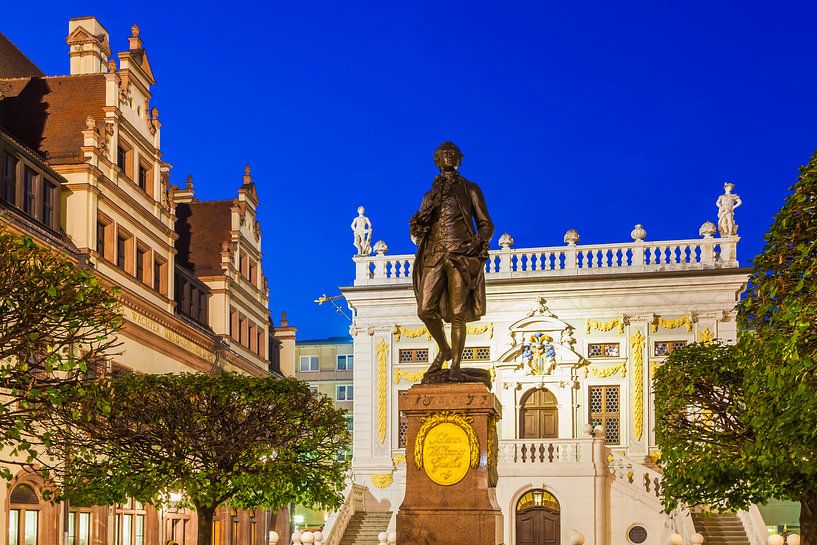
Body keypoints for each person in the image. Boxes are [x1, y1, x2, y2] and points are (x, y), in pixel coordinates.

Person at [410, 141, 493, 382]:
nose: (449, 157)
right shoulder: (429, 195)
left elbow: (486, 223)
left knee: (458, 313)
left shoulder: (470, 189)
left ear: (459, 159)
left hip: (460, 254)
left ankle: (455, 366)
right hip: (435, 255)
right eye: (444, 154)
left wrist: (479, 242)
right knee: (425, 309)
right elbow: (419, 229)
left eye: (453, 154)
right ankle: (444, 349)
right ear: (437, 160)